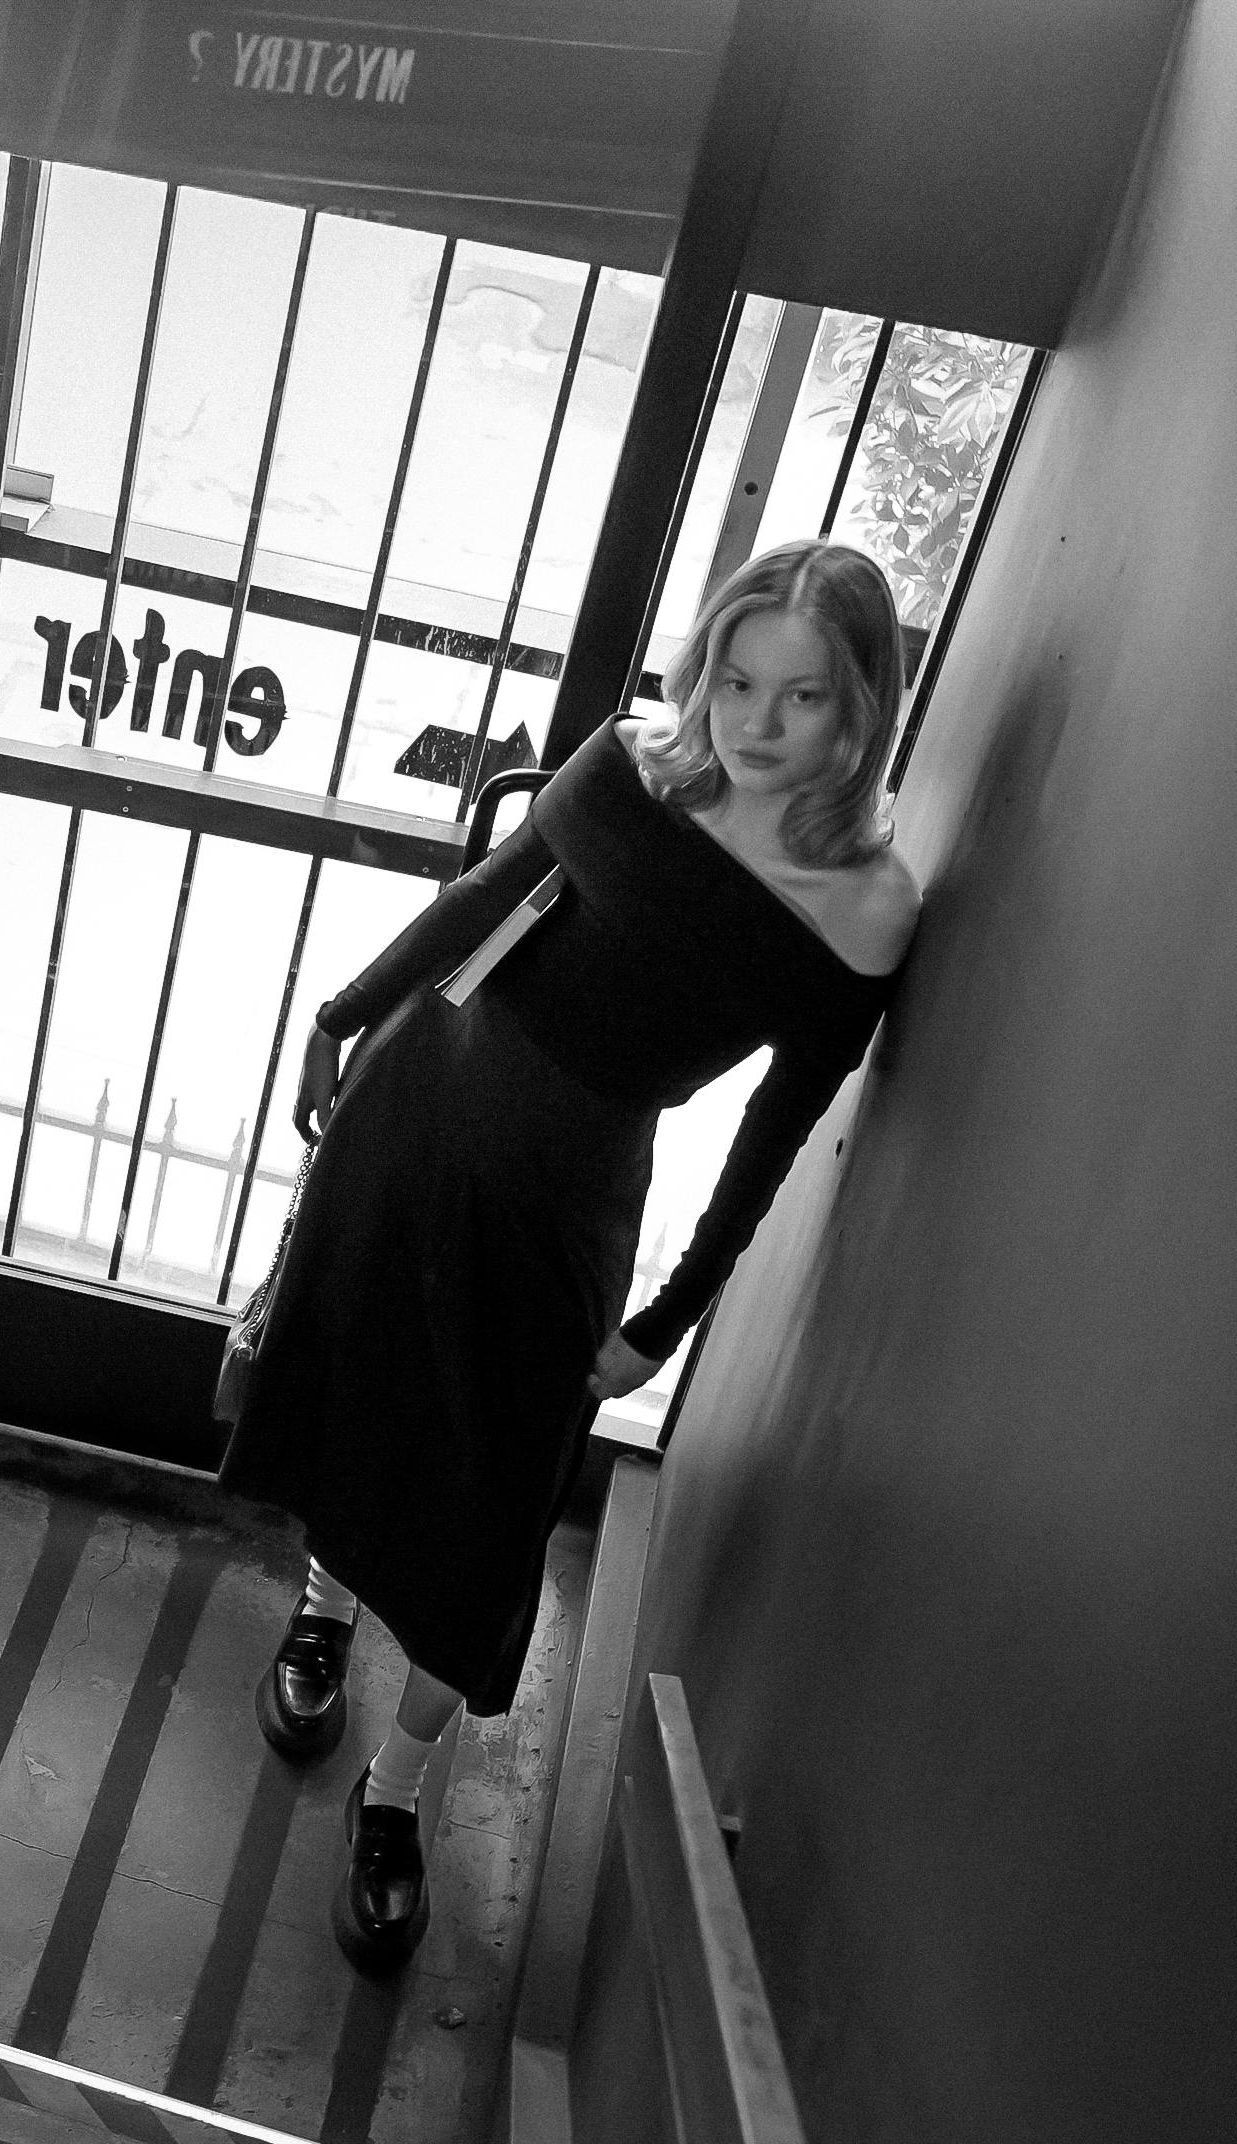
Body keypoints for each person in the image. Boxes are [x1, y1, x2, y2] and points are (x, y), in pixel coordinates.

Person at [219, 539, 925, 1973]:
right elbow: (489, 895)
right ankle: (319, 1617)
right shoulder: (638, 764)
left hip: (569, 1199)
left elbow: (771, 1141)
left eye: (799, 697)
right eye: (735, 676)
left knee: (488, 1509)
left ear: (860, 714)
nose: (751, 719)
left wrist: (664, 1320)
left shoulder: (862, 906)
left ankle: (398, 1788)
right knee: (359, 1384)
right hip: (421, 1110)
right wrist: (344, 1012)